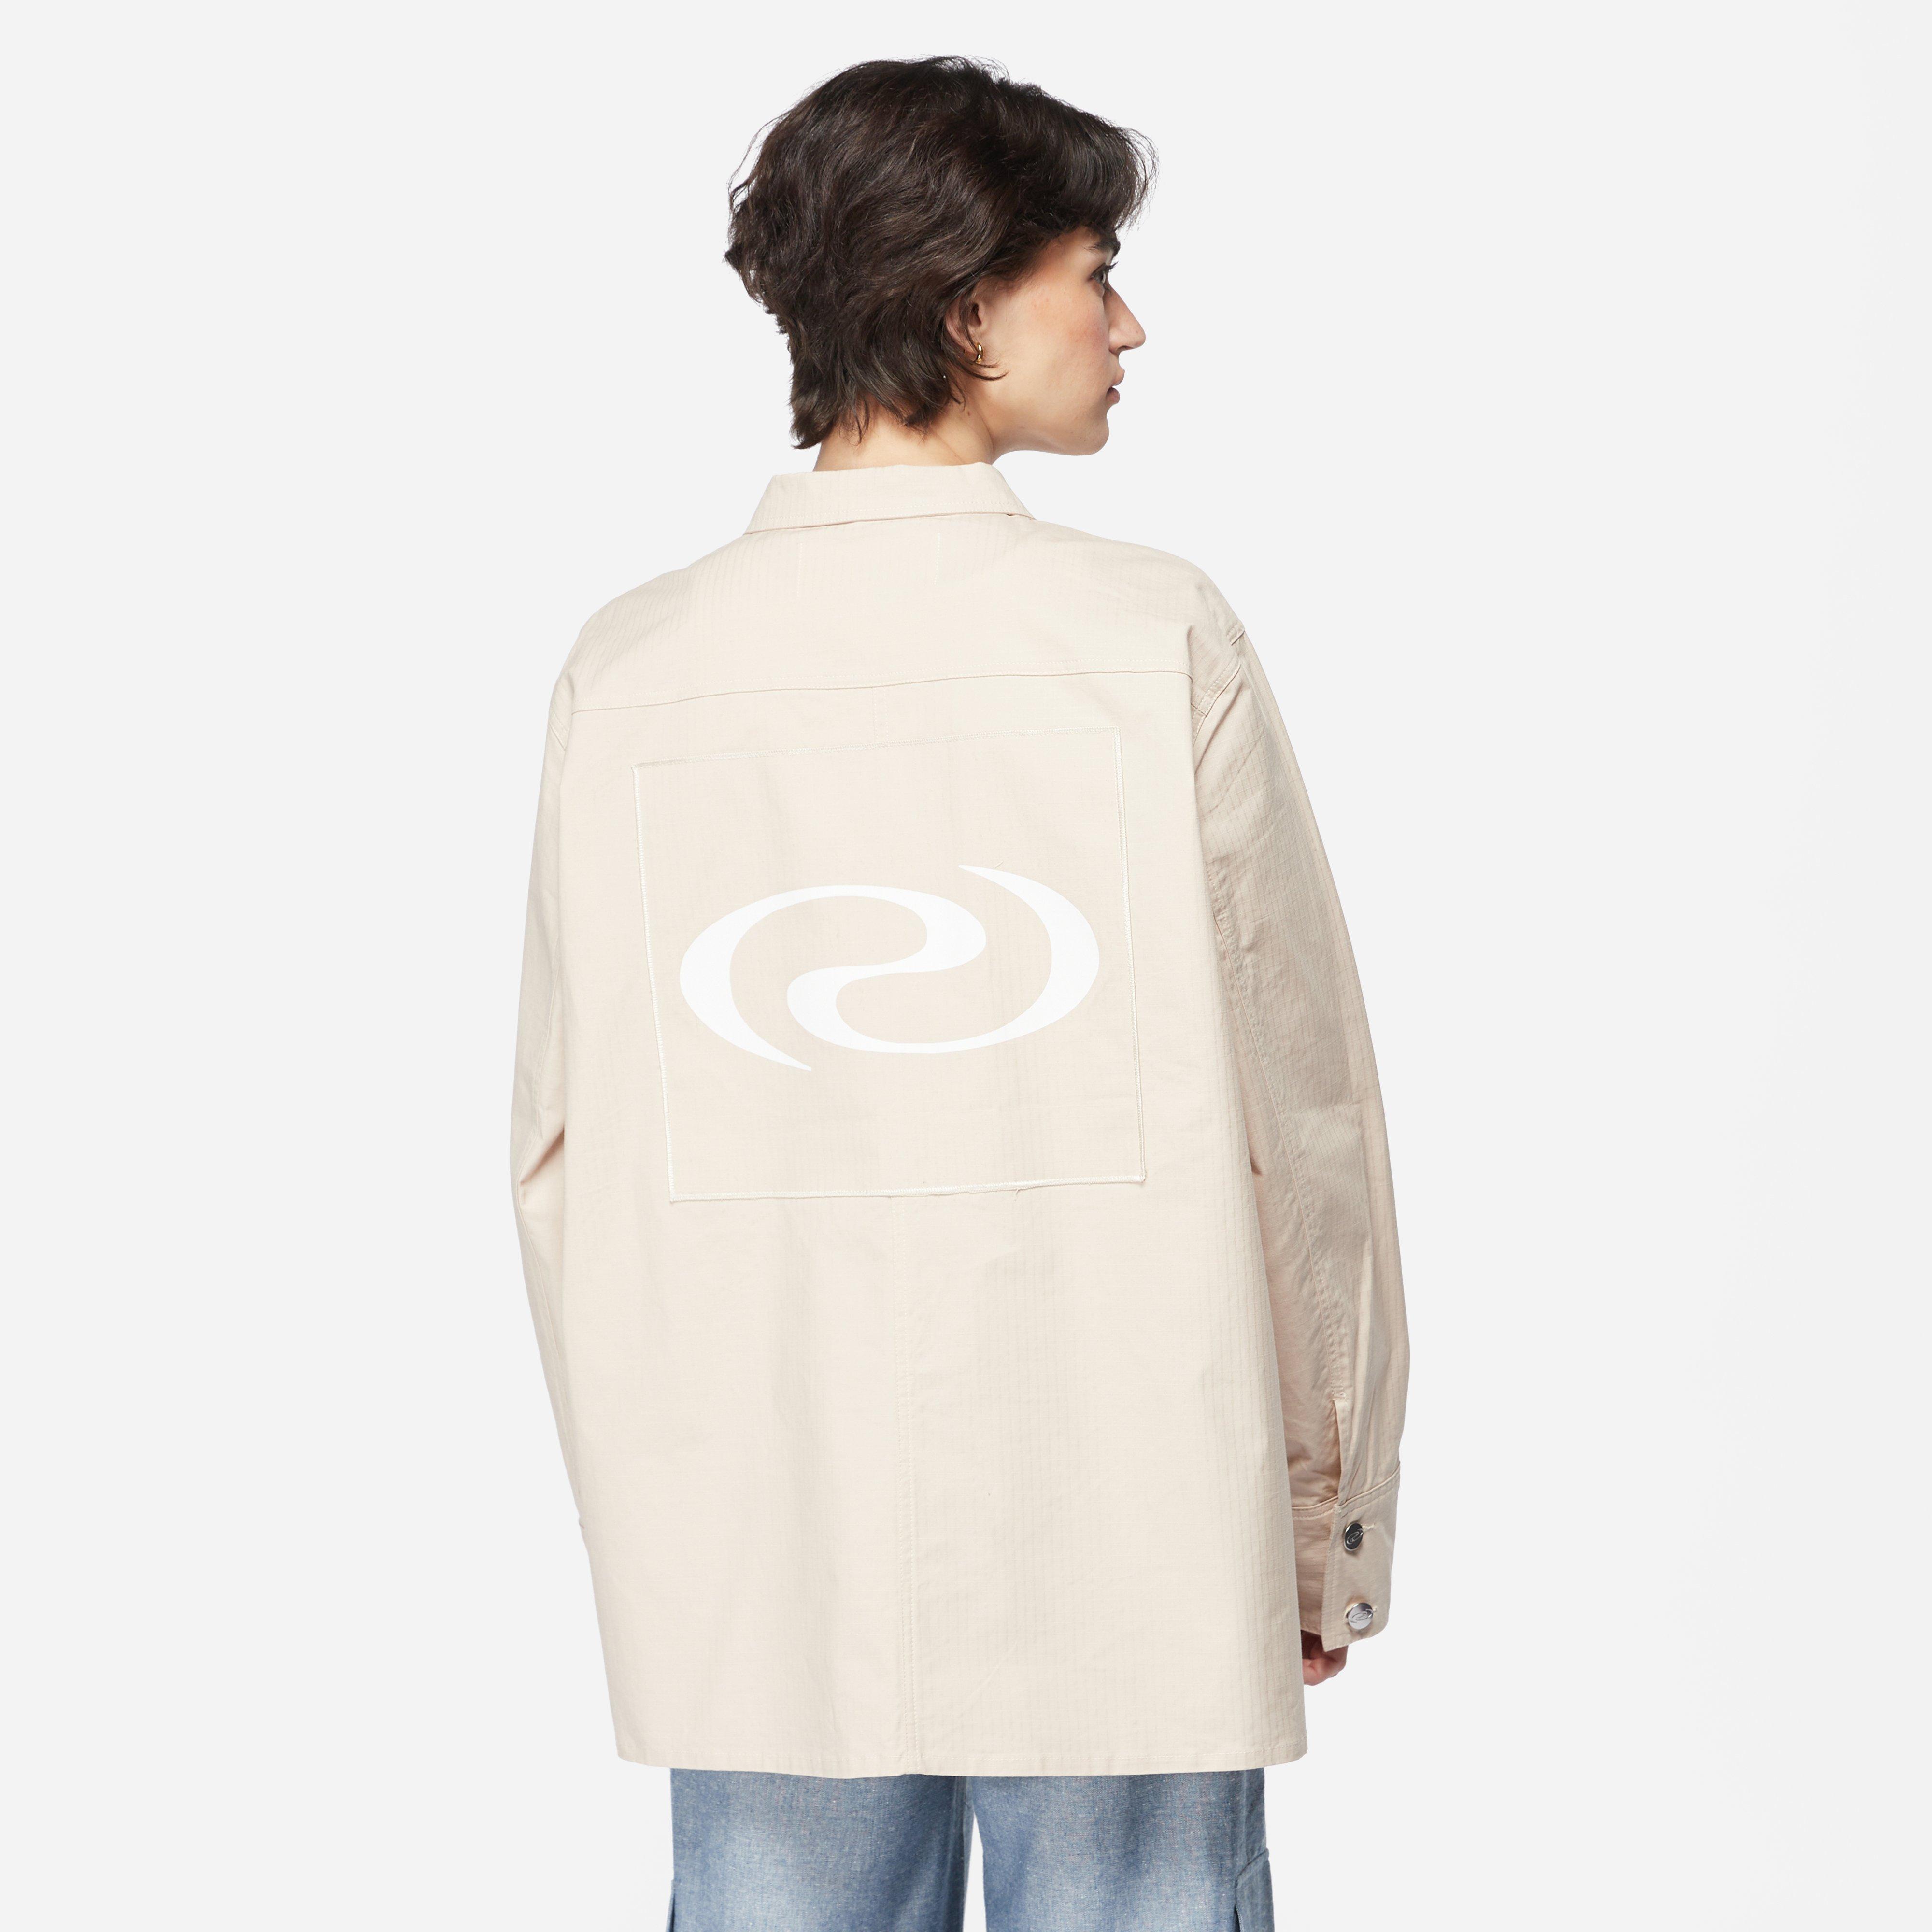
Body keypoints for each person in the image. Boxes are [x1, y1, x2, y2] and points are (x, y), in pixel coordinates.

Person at [511, 56, 1409, 1932]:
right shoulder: (1149, 636)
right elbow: (1298, 1118)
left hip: (765, 1535)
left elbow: (561, 1159)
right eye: (1094, 272)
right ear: (964, 303)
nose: (1126, 325)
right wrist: (1321, 1512)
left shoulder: (638, 666)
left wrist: (670, 1524)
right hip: (1135, 1507)